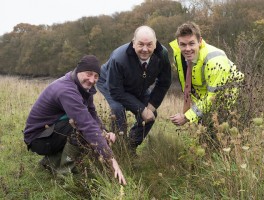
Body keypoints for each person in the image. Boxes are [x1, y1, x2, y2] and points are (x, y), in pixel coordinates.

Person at [23, 55, 126, 185]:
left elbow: (92, 115)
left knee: (88, 129)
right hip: (38, 138)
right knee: (81, 128)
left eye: (96, 76)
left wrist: (104, 132)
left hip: (50, 132)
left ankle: (51, 162)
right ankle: (65, 174)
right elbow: (87, 125)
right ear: (78, 70)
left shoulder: (82, 87)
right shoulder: (66, 90)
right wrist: (111, 159)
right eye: (89, 74)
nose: (92, 80)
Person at [96, 25, 172, 154]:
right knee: (118, 110)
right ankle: (117, 150)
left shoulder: (162, 54)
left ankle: (130, 147)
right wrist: (141, 109)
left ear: (155, 44)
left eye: (149, 45)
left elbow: (164, 83)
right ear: (133, 43)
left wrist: (151, 107)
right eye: (140, 44)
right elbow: (116, 91)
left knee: (151, 115)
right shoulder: (118, 58)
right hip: (110, 83)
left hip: (137, 84)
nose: (145, 49)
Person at [169, 22, 244, 126]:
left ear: (199, 41)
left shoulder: (214, 60)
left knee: (220, 140)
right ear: (178, 43)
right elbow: (188, 85)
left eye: (191, 43)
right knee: (203, 138)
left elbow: (214, 97)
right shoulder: (179, 54)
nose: (187, 49)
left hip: (230, 107)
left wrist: (187, 116)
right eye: (183, 44)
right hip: (206, 105)